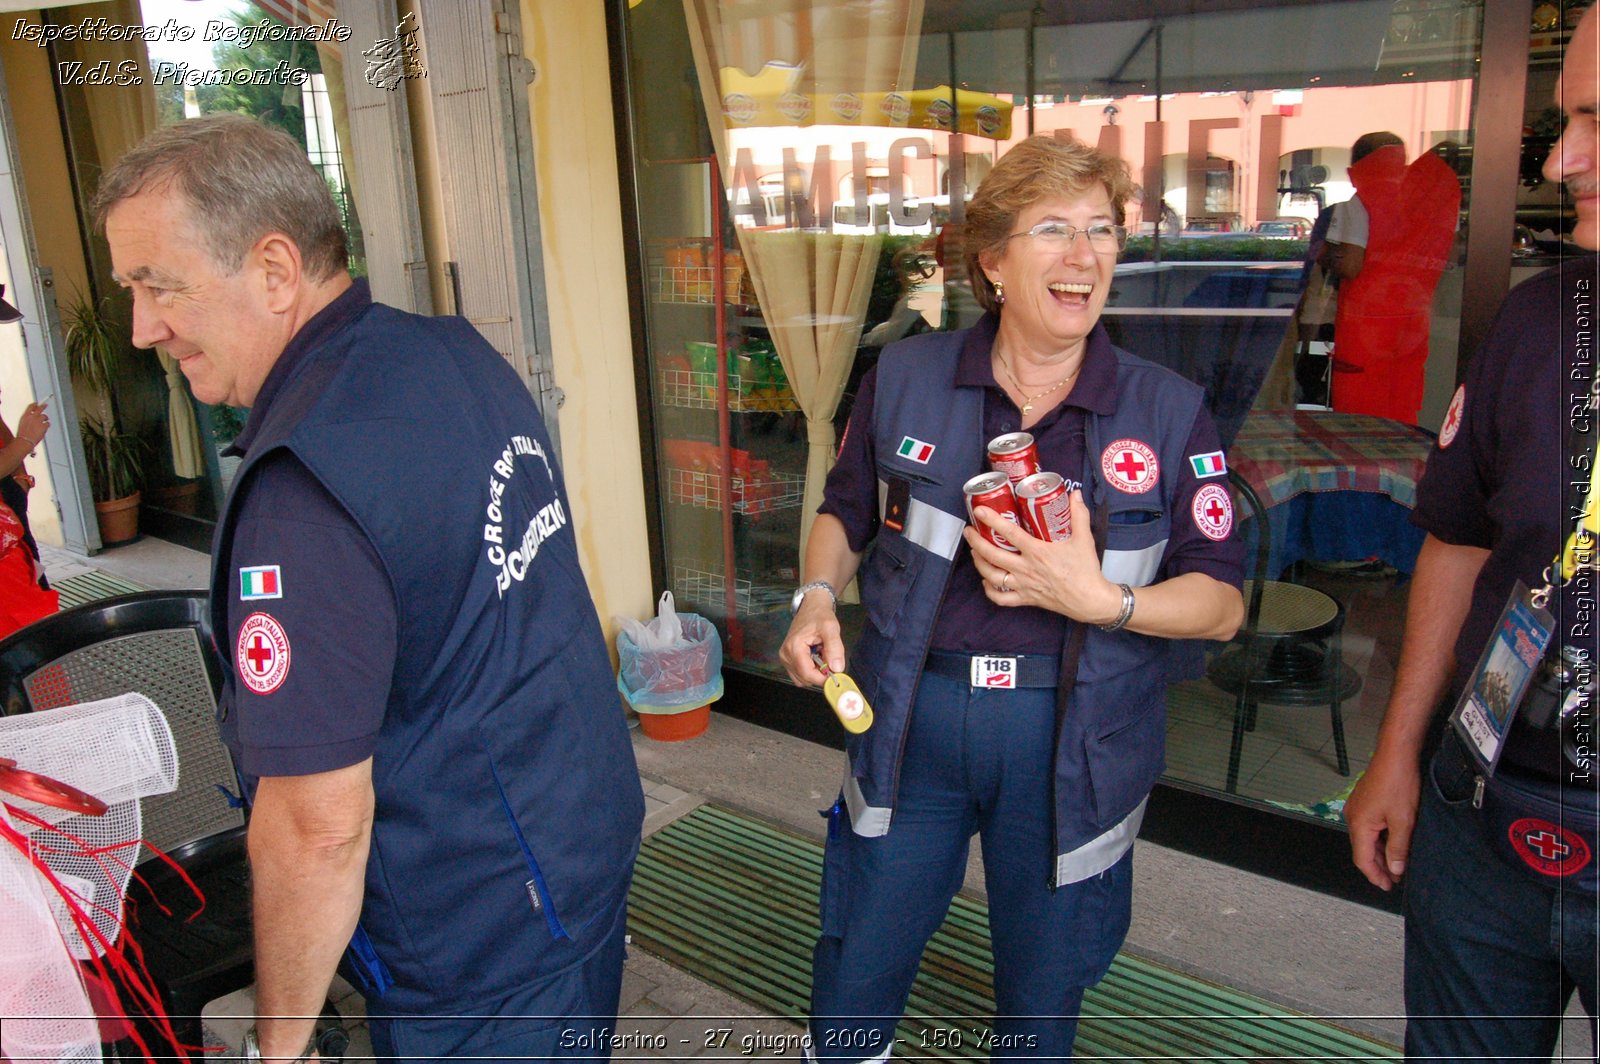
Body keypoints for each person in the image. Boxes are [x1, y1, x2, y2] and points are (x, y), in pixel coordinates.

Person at [94, 115, 643, 1062]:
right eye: (131, 292)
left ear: (274, 269)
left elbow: (315, 830)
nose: (144, 327)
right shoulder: (448, 352)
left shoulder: (306, 490)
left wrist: (280, 1045)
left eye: (159, 285)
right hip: (576, 839)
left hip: (478, 934)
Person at [780, 135, 1244, 1062]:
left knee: (1042, 998)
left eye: (1104, 231)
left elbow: (1223, 604)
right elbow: (842, 511)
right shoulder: (905, 378)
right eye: (1055, 231)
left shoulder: (1166, 409)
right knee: (858, 964)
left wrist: (1103, 600)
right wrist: (813, 597)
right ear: (992, 261)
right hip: (914, 719)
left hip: (1069, 740)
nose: (1086, 256)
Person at [1344, 8, 1600, 1058]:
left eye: (1593, 120)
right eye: (1562, 118)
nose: (1556, 157)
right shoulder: (1535, 320)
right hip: (1483, 805)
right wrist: (1399, 751)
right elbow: (1455, 539)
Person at [1322, 130, 1460, 424]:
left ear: (1356, 166)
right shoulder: (1427, 201)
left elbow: (1350, 265)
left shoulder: (1358, 203)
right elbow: (1451, 252)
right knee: (1401, 405)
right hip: (1412, 319)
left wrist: (1323, 252)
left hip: (1365, 326)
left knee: (1358, 416)